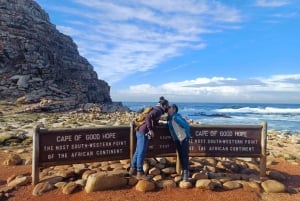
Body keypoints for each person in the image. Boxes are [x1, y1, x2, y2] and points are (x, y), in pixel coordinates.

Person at [129, 96, 169, 180]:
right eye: (167, 106)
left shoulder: (155, 108)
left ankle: (132, 169)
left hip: (140, 131)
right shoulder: (158, 110)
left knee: (138, 151)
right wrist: (150, 130)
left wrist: (158, 124)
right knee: (141, 152)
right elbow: (148, 117)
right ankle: (139, 173)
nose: (167, 108)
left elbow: (153, 120)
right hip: (144, 132)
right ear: (164, 105)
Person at [167, 104, 190, 181]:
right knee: (181, 155)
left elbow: (186, 126)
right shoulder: (170, 118)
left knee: (184, 156)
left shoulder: (176, 117)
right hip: (177, 139)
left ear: (174, 109)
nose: (168, 108)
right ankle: (184, 172)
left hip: (183, 139)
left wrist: (187, 136)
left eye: (169, 107)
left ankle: (186, 174)